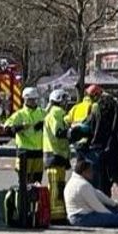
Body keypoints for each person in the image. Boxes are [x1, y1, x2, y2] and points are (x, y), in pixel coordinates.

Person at [63, 159, 118, 228]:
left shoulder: (74, 182)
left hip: (77, 216)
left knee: (114, 211)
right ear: (84, 172)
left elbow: (98, 194)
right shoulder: (83, 185)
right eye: (90, 171)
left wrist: (113, 204)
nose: (92, 173)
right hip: (81, 218)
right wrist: (111, 216)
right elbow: (97, 206)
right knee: (117, 218)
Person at [42, 88, 74, 222]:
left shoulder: (54, 113)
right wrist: (73, 132)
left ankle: (57, 212)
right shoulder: (56, 113)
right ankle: (56, 214)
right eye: (65, 100)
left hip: (56, 155)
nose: (67, 103)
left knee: (58, 185)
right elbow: (59, 132)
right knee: (56, 186)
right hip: (55, 154)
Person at [2, 88, 47, 185]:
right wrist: (20, 127)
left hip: (38, 151)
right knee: (24, 183)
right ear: (25, 100)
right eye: (31, 99)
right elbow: (7, 128)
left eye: (35, 99)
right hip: (24, 152)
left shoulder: (42, 113)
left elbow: (50, 124)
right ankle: (23, 200)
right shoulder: (20, 114)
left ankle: (35, 200)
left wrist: (42, 124)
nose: (33, 102)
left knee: (37, 182)